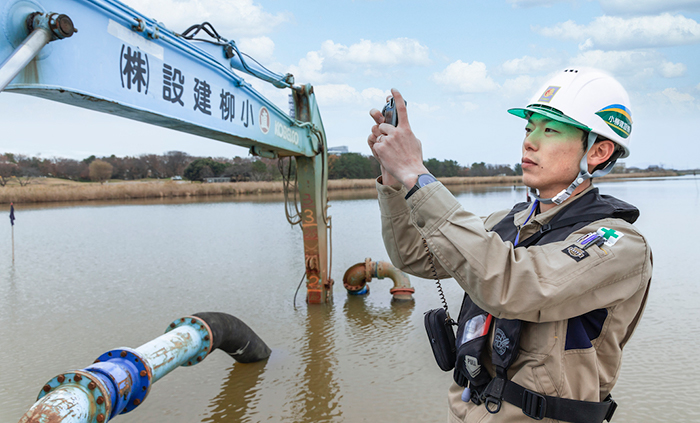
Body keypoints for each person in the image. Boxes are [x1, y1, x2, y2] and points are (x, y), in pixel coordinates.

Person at [367, 67, 652, 423]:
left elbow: (516, 286)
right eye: (529, 127)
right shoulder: (506, 223)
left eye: (549, 130)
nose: (530, 141)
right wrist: (395, 179)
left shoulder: (618, 243)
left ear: (598, 152)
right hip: (468, 412)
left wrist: (417, 175)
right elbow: (415, 255)